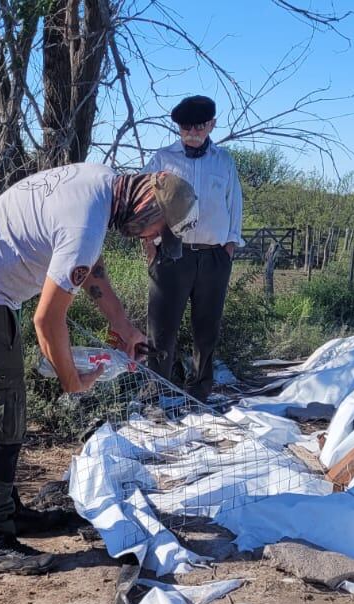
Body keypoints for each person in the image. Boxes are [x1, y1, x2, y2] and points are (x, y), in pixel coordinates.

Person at [0, 163, 196, 575]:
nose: (150, 240)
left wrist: (122, 326)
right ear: (146, 207)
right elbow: (47, 320)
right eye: (157, 231)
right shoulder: (87, 226)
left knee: (8, 409)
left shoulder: (101, 186)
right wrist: (72, 381)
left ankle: (9, 512)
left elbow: (91, 270)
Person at [140, 95, 245, 402]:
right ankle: (156, 390)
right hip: (172, 253)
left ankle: (199, 391)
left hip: (214, 255)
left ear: (211, 124)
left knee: (206, 327)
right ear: (178, 128)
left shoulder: (223, 161)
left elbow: (234, 204)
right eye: (186, 127)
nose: (193, 133)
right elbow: (143, 203)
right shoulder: (162, 160)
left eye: (199, 126)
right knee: (161, 327)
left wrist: (228, 248)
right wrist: (150, 244)